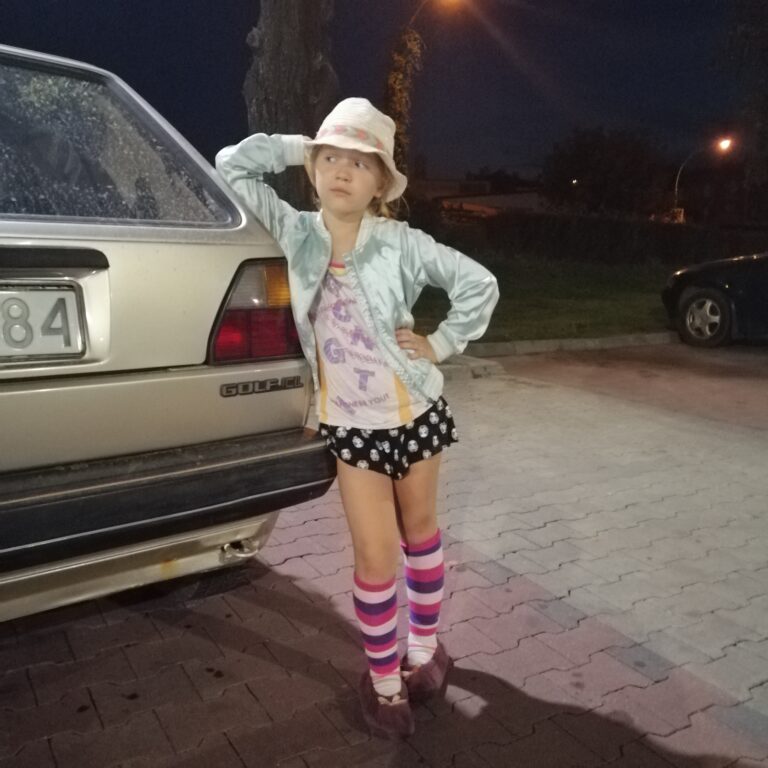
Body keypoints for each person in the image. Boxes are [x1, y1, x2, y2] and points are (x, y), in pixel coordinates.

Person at [216, 98, 499, 739]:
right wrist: (302, 146)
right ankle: (384, 682)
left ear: (381, 184)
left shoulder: (400, 243)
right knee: (375, 556)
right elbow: (231, 166)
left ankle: (425, 652)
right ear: (314, 168)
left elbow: (479, 284)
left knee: (420, 538)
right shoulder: (295, 231)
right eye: (331, 159)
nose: (342, 171)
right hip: (350, 427)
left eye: (360, 162)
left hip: (415, 414)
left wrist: (440, 343)